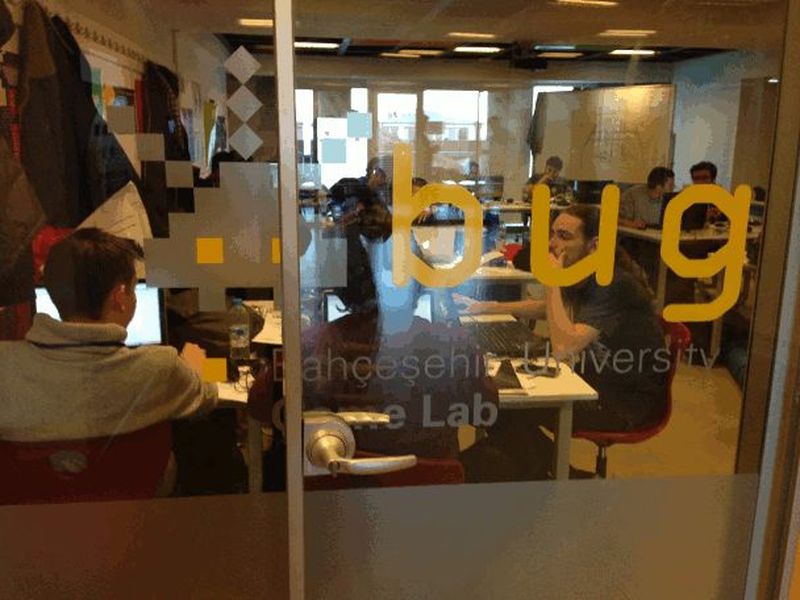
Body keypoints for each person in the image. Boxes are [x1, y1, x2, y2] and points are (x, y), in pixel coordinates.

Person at [459, 205, 668, 481]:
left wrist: (551, 280)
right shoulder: (587, 272)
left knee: (497, 405)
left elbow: (563, 348)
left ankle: (555, 476)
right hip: (595, 376)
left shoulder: (613, 284)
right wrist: (489, 307)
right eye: (553, 234)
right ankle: (557, 473)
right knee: (495, 402)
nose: (552, 243)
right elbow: (548, 307)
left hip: (621, 402)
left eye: (564, 236)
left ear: (594, 246)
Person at [0, 229, 218, 491]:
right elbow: (208, 399)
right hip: (133, 510)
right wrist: (196, 363)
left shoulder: (4, 364)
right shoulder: (162, 367)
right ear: (120, 296)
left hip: (29, 512)